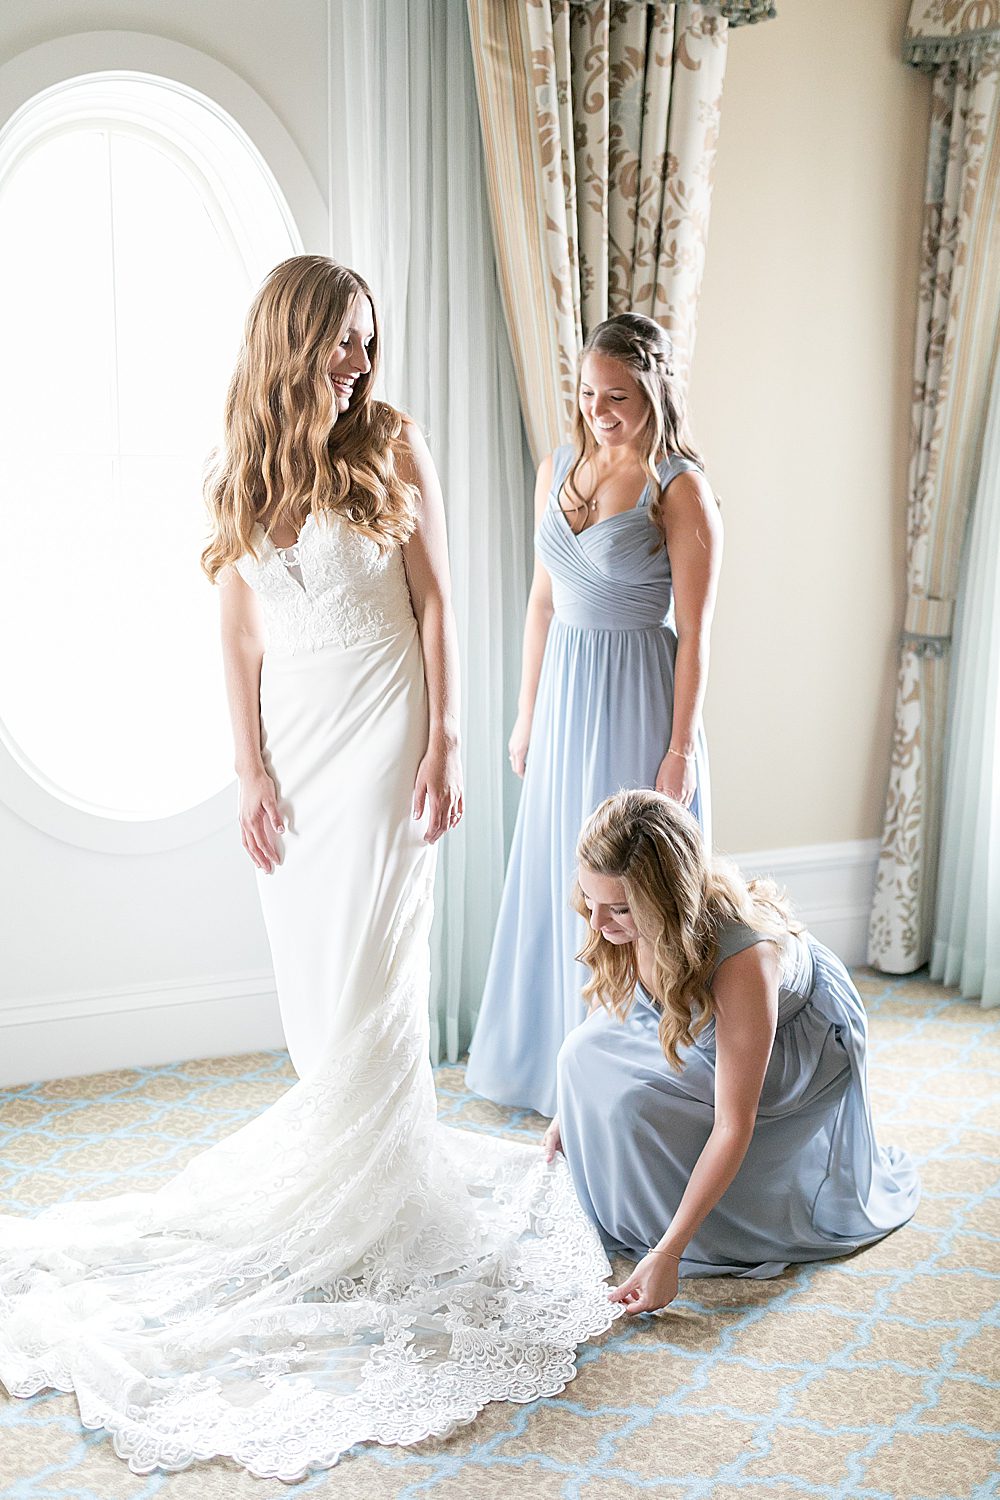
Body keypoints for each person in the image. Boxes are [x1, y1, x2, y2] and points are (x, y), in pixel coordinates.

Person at [0, 257, 617, 1479]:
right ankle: (343, 1178)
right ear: (289, 339)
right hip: (297, 746)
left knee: (376, 975)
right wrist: (249, 770)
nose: (357, 361)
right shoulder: (240, 465)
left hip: (386, 733)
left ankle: (380, 1202)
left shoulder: (390, 440)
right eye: (340, 341)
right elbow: (235, 631)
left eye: (367, 343)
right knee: (314, 985)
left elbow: (437, 604)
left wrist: (444, 739)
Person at [466, 313, 722, 1116]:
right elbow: (543, 599)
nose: (599, 410)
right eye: (586, 393)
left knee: (629, 892)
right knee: (557, 870)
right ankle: (547, 1065)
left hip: (636, 695)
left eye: (616, 396)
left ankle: (628, 1083)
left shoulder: (679, 489)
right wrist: (525, 713)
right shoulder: (561, 463)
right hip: (565, 694)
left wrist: (677, 752)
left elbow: (696, 639)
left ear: (652, 391)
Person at [545, 789, 920, 1315]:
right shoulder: (621, 917)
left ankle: (677, 1231)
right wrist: (570, 1105)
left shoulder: (743, 956)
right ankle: (642, 1211)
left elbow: (732, 1124)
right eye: (590, 901)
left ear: (663, 902)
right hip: (700, 998)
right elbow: (615, 1003)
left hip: (793, 1040)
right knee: (577, 1057)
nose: (599, 924)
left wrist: (671, 1253)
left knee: (641, 1105)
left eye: (620, 909)